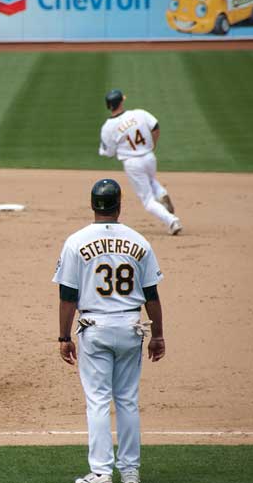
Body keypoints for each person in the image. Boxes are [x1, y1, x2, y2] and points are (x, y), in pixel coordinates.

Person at [52, 179, 167, 483]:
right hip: (131, 326)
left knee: (99, 401)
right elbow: (151, 294)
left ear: (92, 205)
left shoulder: (76, 241)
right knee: (127, 399)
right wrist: (157, 335)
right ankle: (130, 473)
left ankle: (101, 472)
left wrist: (64, 337)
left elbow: (67, 296)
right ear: (119, 205)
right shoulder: (139, 241)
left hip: (95, 328)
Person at [98, 90, 182, 235]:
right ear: (121, 102)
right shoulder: (138, 113)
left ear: (108, 106)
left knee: (148, 201)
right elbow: (155, 127)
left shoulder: (108, 127)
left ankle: (172, 221)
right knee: (151, 180)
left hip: (133, 163)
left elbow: (109, 152)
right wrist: (153, 145)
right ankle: (162, 193)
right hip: (149, 157)